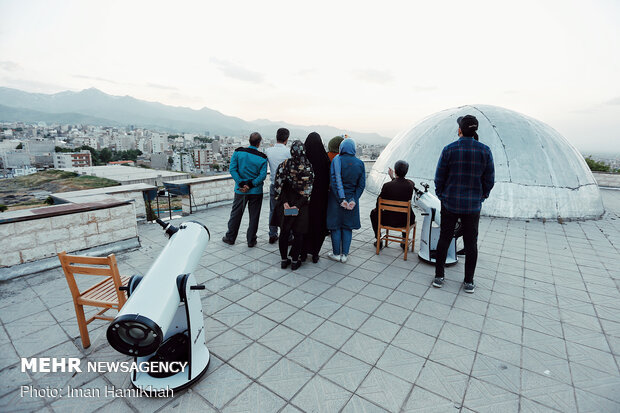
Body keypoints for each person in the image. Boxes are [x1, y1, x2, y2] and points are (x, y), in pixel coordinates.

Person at [433, 115, 495, 293]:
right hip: (472, 206)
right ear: (475, 130)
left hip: (450, 203)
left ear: (460, 130)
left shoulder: (449, 150)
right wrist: (481, 197)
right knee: (471, 243)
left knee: (444, 239)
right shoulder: (485, 151)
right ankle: (468, 281)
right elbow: (489, 180)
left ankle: (439, 276)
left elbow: (439, 178)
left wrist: (442, 196)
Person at [270, 140, 314, 270]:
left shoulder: (284, 164)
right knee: (298, 233)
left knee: (284, 231)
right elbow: (308, 190)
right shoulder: (308, 166)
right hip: (300, 206)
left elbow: (278, 185)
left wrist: (284, 203)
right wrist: (298, 206)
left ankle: (284, 260)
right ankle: (295, 261)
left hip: (286, 203)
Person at [222, 132, 268, 247]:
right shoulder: (262, 158)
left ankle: (230, 237)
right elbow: (262, 176)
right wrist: (251, 185)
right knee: (254, 216)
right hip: (256, 191)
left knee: (236, 214)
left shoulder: (238, 152)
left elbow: (232, 169)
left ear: (249, 141)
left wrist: (242, 183)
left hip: (240, 191)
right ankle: (251, 240)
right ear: (259, 143)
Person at [326, 138, 365, 263]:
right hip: (352, 201)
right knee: (347, 227)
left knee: (336, 227)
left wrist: (340, 199)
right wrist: (353, 199)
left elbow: (333, 182)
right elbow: (361, 185)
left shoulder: (336, 161)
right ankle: (345, 255)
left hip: (336, 200)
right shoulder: (360, 164)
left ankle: (336, 254)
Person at [369, 160, 415, 249]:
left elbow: (378, 202)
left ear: (395, 170)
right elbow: (407, 182)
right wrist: (394, 178)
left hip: (387, 220)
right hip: (405, 221)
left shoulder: (387, 186)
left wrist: (393, 178)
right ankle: (404, 240)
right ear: (406, 171)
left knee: (373, 213)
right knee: (407, 214)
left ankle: (379, 239)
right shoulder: (410, 185)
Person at [300, 132, 331, 263]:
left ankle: (302, 251)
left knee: (303, 225)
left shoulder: (303, 159)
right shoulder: (325, 160)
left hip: (305, 200)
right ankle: (315, 253)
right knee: (318, 225)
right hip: (320, 200)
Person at [265, 128, 291, 244]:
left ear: (276, 137)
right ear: (286, 139)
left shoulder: (268, 151)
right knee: (287, 210)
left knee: (273, 210)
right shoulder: (288, 152)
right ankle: (287, 235)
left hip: (274, 184)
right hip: (287, 186)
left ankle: (272, 234)